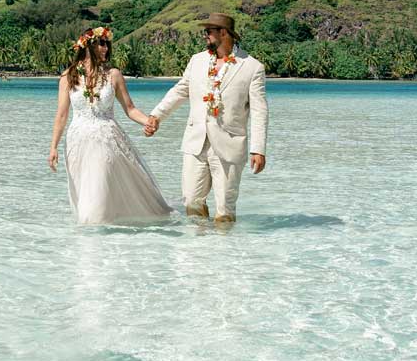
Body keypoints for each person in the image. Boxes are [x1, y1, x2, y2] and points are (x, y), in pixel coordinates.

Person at [145, 12, 268, 223]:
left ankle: (222, 251)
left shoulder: (252, 67)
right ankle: (198, 251)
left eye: (208, 32)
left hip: (229, 144)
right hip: (196, 142)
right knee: (191, 200)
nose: (205, 36)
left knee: (225, 208)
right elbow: (180, 91)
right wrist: (156, 115)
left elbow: (259, 110)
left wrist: (258, 149)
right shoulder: (197, 61)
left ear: (224, 33)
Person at [48, 26, 173, 225]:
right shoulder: (68, 76)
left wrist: (149, 121)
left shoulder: (113, 75)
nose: (106, 48)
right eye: (101, 43)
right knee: (84, 192)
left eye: (107, 44)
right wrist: (53, 147)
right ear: (88, 45)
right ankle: (92, 241)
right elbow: (61, 114)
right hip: (77, 142)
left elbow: (130, 109)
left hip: (105, 140)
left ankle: (96, 235)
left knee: (98, 194)